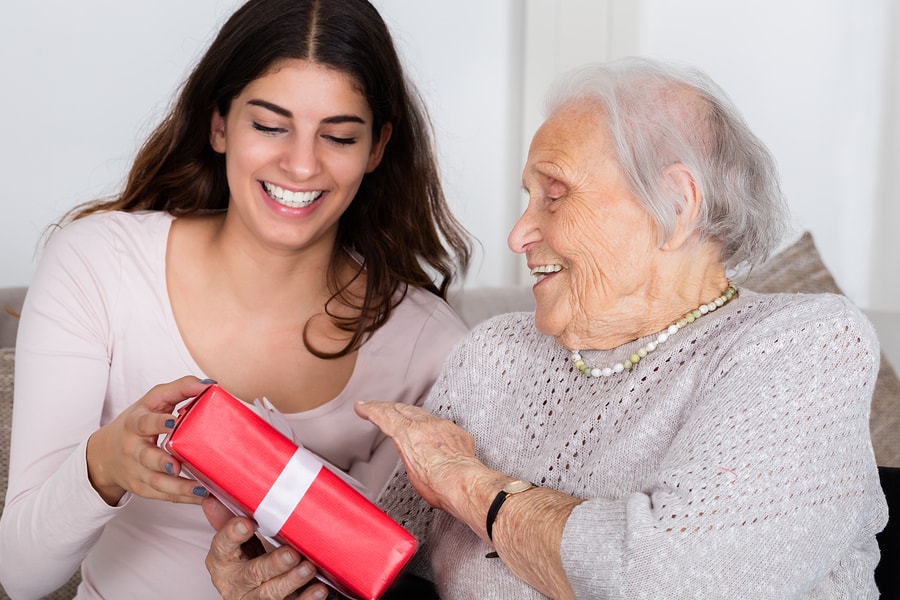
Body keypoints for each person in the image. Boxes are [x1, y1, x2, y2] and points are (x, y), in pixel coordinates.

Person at [205, 57, 888, 599]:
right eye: (525, 198)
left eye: (554, 194)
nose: (519, 232)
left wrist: (462, 480)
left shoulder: (801, 345)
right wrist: (284, 577)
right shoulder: (496, 353)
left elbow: (670, 582)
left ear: (676, 207)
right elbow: (385, 569)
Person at [0, 0, 472, 597]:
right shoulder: (97, 265)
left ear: (376, 149)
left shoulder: (431, 348)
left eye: (339, 136)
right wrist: (105, 465)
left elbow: (394, 576)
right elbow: (19, 578)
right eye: (270, 126)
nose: (301, 164)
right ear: (219, 124)